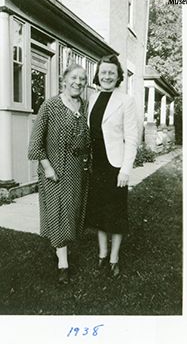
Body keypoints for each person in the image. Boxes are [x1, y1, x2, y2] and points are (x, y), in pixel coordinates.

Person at [28, 63, 91, 285]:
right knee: (57, 213)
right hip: (53, 171)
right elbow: (35, 143)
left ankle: (60, 249)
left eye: (83, 79)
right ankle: (62, 264)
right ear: (64, 80)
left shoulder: (84, 107)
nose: (78, 82)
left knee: (71, 213)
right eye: (74, 77)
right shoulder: (50, 105)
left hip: (76, 171)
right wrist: (47, 167)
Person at [86, 54, 138, 277]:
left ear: (118, 77)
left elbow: (132, 138)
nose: (106, 76)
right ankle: (102, 254)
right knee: (99, 213)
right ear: (98, 75)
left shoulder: (126, 101)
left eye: (111, 73)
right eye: (103, 72)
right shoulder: (92, 98)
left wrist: (125, 169)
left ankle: (114, 259)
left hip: (115, 167)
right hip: (96, 166)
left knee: (116, 214)